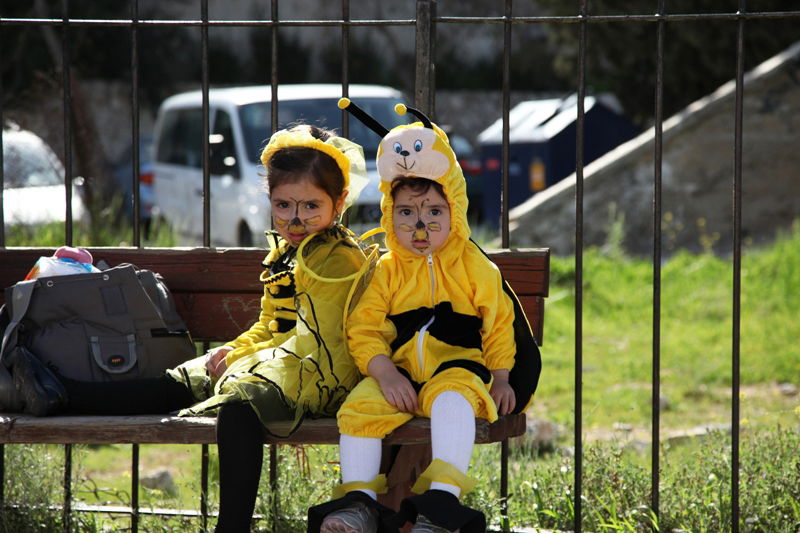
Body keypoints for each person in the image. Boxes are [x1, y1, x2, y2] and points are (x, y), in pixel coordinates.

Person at [11, 124, 376, 533]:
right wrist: (229, 352)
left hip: (321, 371)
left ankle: (231, 526)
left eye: (311, 206)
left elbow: (315, 339)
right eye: (283, 205)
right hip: (283, 361)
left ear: (339, 201)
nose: (296, 218)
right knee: (182, 379)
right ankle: (63, 395)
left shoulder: (336, 260)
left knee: (240, 404)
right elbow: (270, 325)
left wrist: (242, 361)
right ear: (269, 200)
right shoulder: (286, 253)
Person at [307, 102, 541, 533]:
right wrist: (383, 374)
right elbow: (364, 328)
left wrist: (503, 377)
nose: (421, 225)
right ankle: (358, 503)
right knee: (358, 409)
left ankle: (440, 505)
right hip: (398, 375)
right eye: (407, 213)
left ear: (455, 210)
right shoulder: (386, 269)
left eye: (434, 212)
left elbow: (499, 324)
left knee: (454, 401)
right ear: (388, 216)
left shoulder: (475, 268)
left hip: (457, 369)